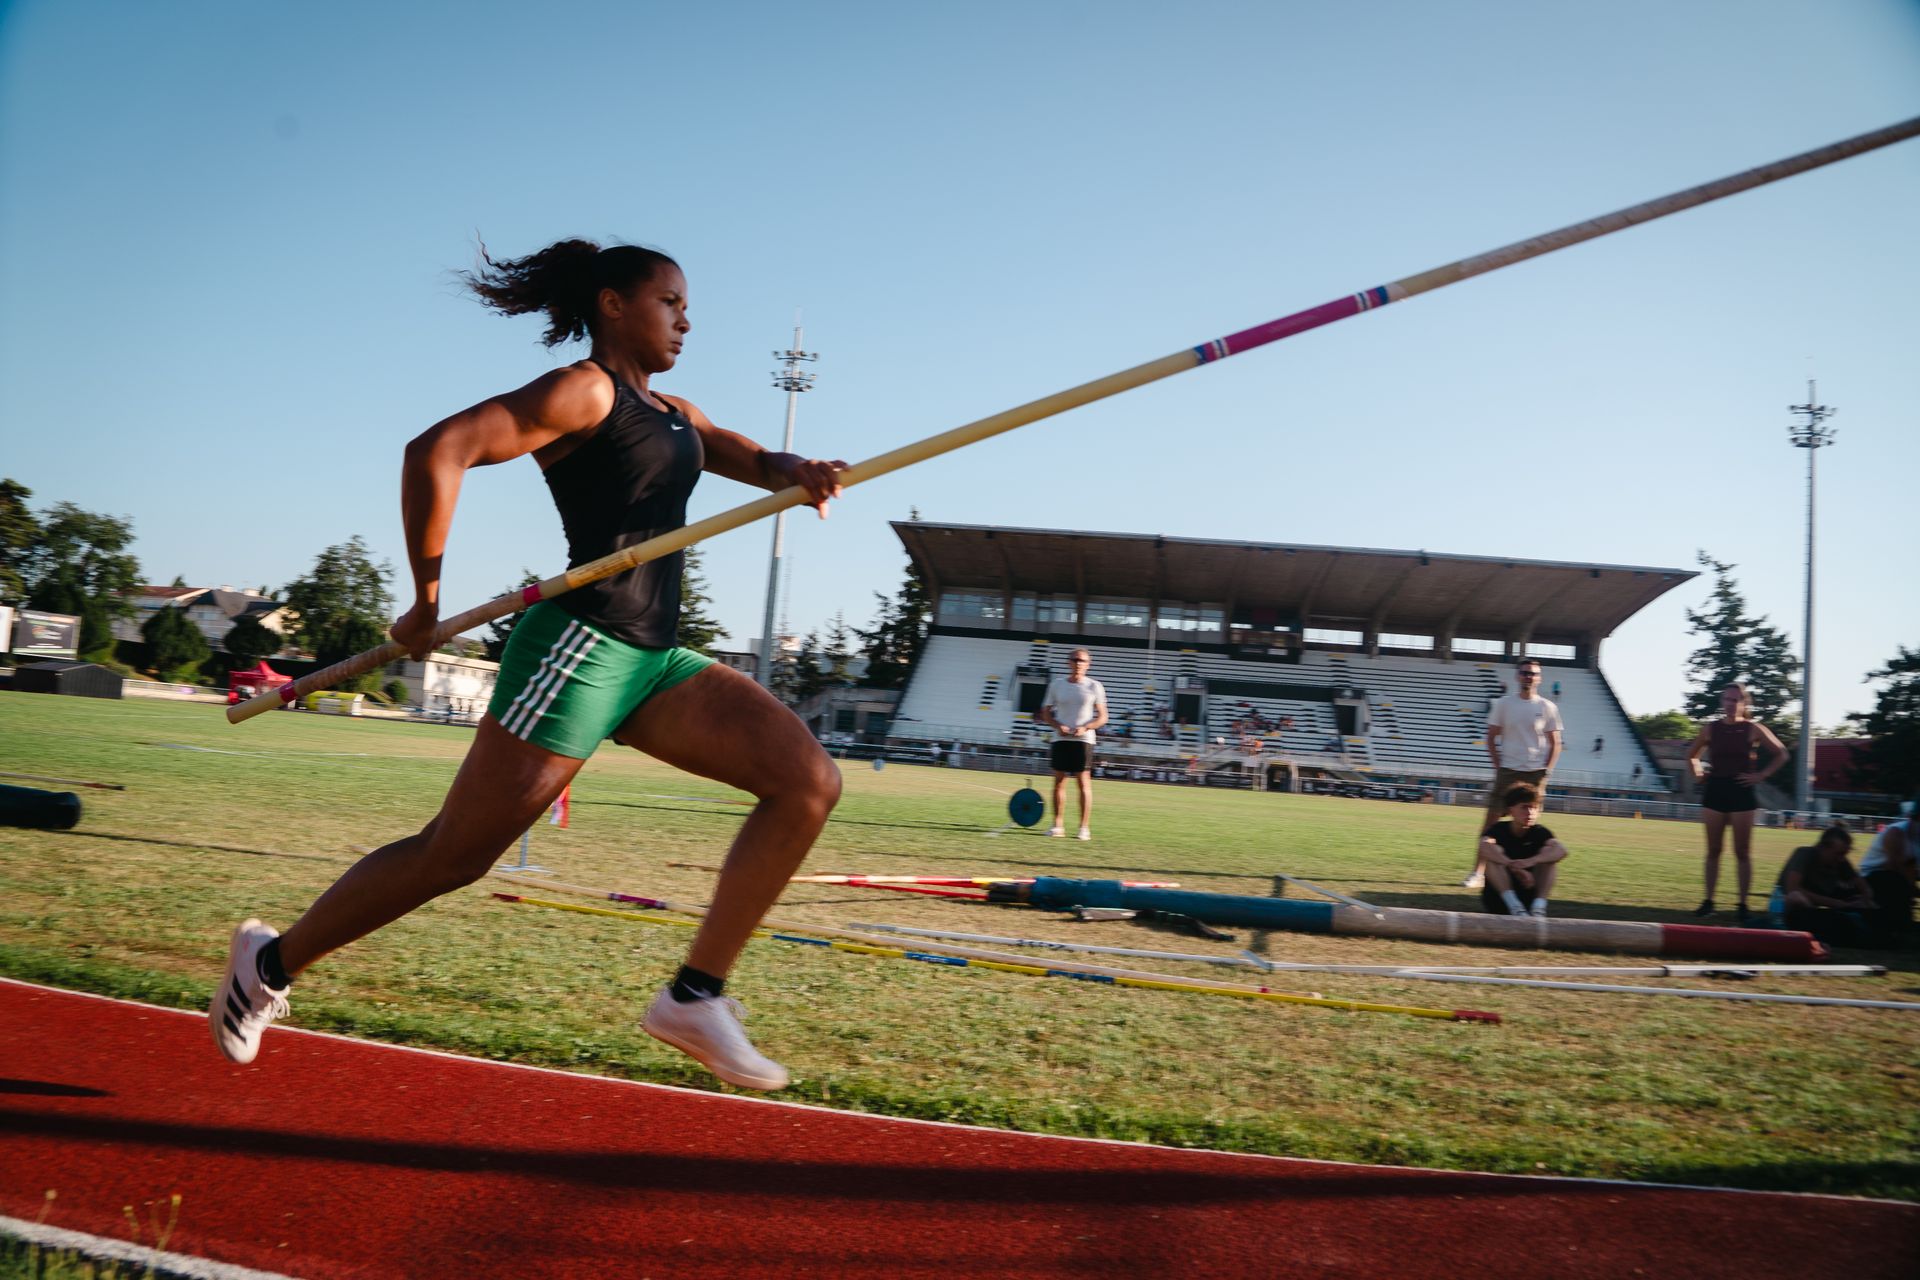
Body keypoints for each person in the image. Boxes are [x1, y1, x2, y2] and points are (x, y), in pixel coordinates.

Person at [209, 239, 848, 1091]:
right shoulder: (585, 391)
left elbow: (757, 461)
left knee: (807, 782)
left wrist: (800, 470)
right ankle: (269, 964)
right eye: (669, 302)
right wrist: (426, 603)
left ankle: (695, 996)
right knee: (453, 856)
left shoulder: (676, 413)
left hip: (654, 660)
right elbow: (437, 449)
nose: (686, 321)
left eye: (687, 307)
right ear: (613, 304)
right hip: (580, 650)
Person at [1684, 683, 1789, 922]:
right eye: (1727, 699)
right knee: (1713, 850)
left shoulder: (1753, 729)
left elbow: (1782, 754)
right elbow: (1691, 755)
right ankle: (1708, 901)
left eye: (1735, 700)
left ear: (1744, 703)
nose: (1730, 704)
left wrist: (1761, 776)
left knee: (1742, 851)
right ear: (1722, 702)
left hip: (1741, 791)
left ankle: (1742, 905)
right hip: (1715, 790)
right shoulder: (1711, 729)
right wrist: (1698, 775)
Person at [1462, 658, 1562, 889]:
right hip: (1508, 771)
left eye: (1533, 673)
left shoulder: (1547, 707)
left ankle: (1525, 872)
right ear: (1518, 676)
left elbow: (1555, 743)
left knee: (1530, 826)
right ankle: (1478, 873)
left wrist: (1546, 771)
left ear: (1539, 678)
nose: (1529, 677)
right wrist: (1498, 766)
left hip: (1535, 773)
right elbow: (1490, 737)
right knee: (1490, 824)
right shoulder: (1504, 704)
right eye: (1525, 672)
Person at [1038, 648, 1107, 840]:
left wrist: (1086, 728)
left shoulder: (1094, 686)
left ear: (1088, 664)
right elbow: (1045, 712)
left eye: (1082, 660)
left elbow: (1103, 717)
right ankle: (1057, 826)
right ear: (1068, 662)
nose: (1078, 663)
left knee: (1083, 782)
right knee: (1059, 782)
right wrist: (1057, 726)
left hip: (1083, 740)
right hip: (1061, 738)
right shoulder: (1057, 685)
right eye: (1075, 660)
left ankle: (1083, 828)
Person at [1769, 824, 1875, 946]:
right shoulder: (1804, 854)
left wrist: (1864, 899)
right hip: (1785, 908)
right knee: (1797, 897)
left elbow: (1864, 887)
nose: (1841, 858)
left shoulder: (1840, 861)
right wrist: (1838, 904)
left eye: (1844, 854)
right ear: (1823, 847)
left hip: (1811, 912)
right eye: (1839, 854)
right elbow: (1792, 889)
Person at [1476, 782, 1567, 917]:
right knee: (1492, 855)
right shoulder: (1499, 829)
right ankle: (1514, 906)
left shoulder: (1540, 832)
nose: (1530, 813)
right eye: (1524, 807)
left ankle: (1538, 907)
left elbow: (1561, 850)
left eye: (1533, 807)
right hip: (1499, 900)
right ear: (1511, 810)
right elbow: (1483, 847)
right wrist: (1513, 866)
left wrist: (1530, 861)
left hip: (1529, 897)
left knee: (1549, 857)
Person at [1856, 801, 1917, 944]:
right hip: (1873, 876)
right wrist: (1912, 889)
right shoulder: (1896, 832)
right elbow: (1895, 866)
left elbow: (1911, 867)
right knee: (1895, 882)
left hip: (1897, 874)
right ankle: (1893, 929)